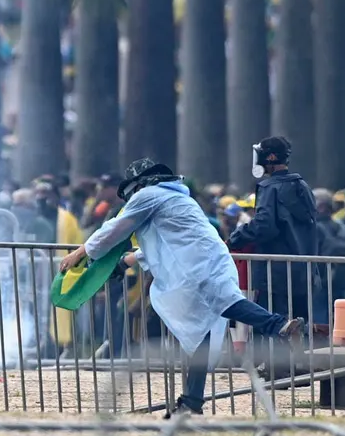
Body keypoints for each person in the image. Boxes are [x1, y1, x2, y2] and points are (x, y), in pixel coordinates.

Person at [59, 158, 305, 417]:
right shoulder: (177, 198)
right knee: (199, 333)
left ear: (138, 184)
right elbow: (162, 241)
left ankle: (278, 326)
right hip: (207, 261)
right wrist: (126, 262)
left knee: (225, 305)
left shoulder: (150, 195)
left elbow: (116, 228)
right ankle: (191, 401)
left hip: (196, 267)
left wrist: (82, 251)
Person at [226, 136, 320, 326]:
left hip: (276, 275)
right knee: (301, 327)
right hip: (304, 272)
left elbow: (264, 225)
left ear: (268, 158)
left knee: (274, 327)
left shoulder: (269, 188)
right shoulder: (303, 186)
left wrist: (235, 238)